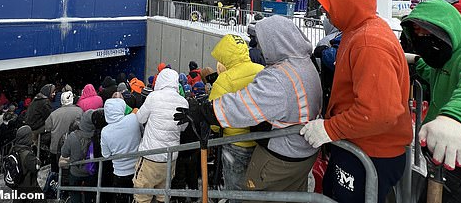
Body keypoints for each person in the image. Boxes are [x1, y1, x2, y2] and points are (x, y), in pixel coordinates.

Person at [175, 15, 322, 197]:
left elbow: (242, 106)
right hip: (301, 151)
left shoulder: (279, 76)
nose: (260, 47)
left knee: (249, 195)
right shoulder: (303, 64)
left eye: (262, 42)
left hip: (278, 153)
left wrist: (204, 111)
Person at [300, 0, 412, 203]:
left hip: (370, 152)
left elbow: (380, 113)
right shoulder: (360, 31)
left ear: (347, 4)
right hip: (359, 144)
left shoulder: (368, 43)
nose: (326, 12)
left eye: (330, 5)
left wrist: (329, 129)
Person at [401, 0, 461, 202]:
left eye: (430, 33)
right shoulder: (446, 58)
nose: (424, 40)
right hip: (447, 164)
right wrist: (409, 59)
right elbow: (431, 70)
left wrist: (454, 119)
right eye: (418, 33)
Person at [208, 34, 263, 201]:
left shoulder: (224, 80)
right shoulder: (261, 70)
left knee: (235, 188)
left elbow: (214, 120)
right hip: (261, 141)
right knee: (255, 185)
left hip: (235, 144)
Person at [133, 68, 188, 203]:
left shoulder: (153, 97)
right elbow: (183, 127)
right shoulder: (183, 101)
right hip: (170, 157)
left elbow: (140, 119)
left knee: (142, 193)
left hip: (150, 155)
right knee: (163, 194)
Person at [101, 98, 142, 203]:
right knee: (139, 198)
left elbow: (105, 155)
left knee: (121, 199)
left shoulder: (105, 132)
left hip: (120, 172)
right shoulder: (133, 119)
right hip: (138, 168)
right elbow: (142, 132)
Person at [60, 110, 98, 203]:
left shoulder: (72, 136)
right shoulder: (97, 136)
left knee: (74, 193)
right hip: (91, 171)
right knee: (90, 194)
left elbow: (64, 153)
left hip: (75, 171)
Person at [45, 90, 83, 174]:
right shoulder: (79, 111)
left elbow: (47, 127)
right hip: (74, 147)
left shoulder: (54, 114)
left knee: (55, 171)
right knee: (72, 172)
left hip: (55, 148)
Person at [10, 125, 42, 202]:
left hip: (18, 187)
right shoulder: (27, 154)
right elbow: (36, 167)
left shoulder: (13, 149)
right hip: (29, 187)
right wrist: (37, 160)